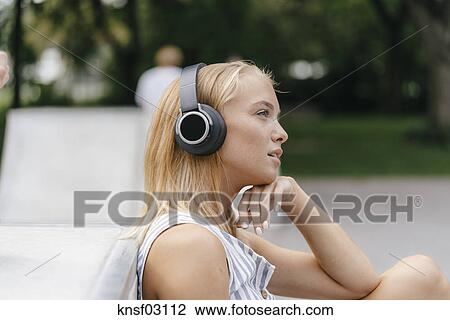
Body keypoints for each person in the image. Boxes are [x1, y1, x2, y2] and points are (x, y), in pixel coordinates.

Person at [128, 61, 450, 300]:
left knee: (422, 275)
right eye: (262, 114)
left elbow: (357, 284)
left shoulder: (225, 236)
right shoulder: (189, 245)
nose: (281, 134)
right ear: (200, 130)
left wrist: (292, 194)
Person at [135, 45, 183, 123]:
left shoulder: (148, 75)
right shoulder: (182, 74)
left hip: (150, 121)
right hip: (175, 121)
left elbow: (140, 101)